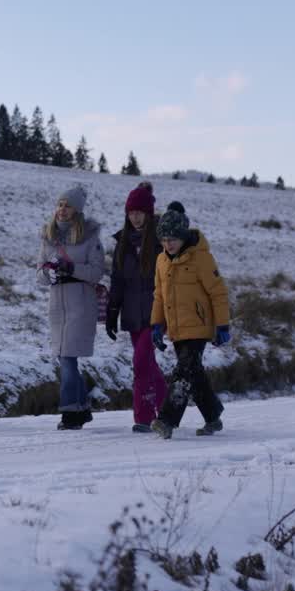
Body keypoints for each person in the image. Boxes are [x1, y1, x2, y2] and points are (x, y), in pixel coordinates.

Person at [148, 202, 231, 439]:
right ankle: (213, 415)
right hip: (176, 328)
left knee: (183, 372)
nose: (168, 244)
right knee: (194, 374)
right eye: (164, 239)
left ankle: (166, 420)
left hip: (198, 326)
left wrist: (222, 325)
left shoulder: (201, 258)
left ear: (183, 236)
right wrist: (157, 325)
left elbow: (218, 292)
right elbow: (159, 295)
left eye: (173, 239)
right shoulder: (161, 261)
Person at [37, 185, 104, 430]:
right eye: (60, 204)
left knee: (67, 358)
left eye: (68, 205)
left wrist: (71, 269)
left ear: (77, 211)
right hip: (57, 307)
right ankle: (82, 406)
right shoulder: (48, 236)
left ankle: (69, 413)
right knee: (65, 359)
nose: (62, 210)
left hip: (81, 305)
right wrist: (49, 274)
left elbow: (97, 272)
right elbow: (39, 273)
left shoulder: (90, 237)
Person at [106, 182, 167, 433]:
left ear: (149, 213)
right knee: (148, 364)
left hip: (156, 313)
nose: (135, 217)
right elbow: (117, 280)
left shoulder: (162, 241)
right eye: (131, 212)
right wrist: (112, 311)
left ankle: (142, 417)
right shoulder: (123, 243)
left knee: (141, 361)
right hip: (132, 313)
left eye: (139, 212)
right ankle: (167, 407)